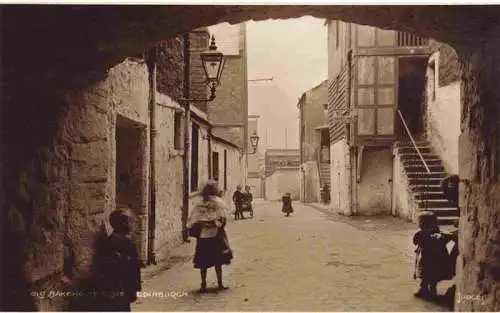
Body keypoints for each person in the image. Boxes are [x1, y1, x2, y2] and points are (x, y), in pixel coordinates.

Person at [187, 181, 233, 292]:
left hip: (204, 236)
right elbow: (223, 218)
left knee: (204, 261)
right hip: (215, 234)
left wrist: (203, 224)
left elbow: (192, 221)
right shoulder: (218, 203)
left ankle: (204, 284)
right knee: (217, 261)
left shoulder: (200, 204)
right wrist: (216, 223)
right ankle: (219, 283)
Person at [94, 208, 141, 311]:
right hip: (120, 289)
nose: (131, 224)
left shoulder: (110, 241)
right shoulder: (125, 243)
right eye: (129, 221)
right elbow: (132, 268)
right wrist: (134, 288)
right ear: (123, 224)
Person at [412, 211, 454, 299]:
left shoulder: (422, 233)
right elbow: (446, 241)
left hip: (426, 259)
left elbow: (415, 241)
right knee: (433, 276)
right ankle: (432, 290)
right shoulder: (438, 233)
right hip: (437, 259)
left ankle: (423, 289)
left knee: (425, 276)